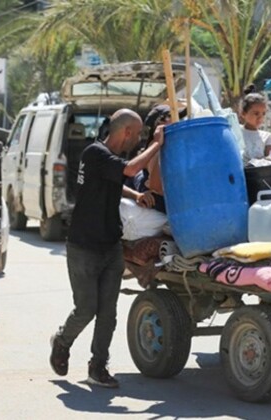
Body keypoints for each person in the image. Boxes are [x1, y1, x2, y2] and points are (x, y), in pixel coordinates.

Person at [50, 109, 165, 388]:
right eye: (136, 134)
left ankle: (98, 366)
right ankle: (62, 341)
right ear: (126, 132)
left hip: (110, 246)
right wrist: (156, 144)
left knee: (108, 312)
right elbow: (127, 171)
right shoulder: (94, 152)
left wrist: (135, 194)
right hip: (84, 246)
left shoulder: (105, 159)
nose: (137, 139)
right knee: (86, 309)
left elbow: (116, 179)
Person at [238, 91, 271, 163]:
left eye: (263, 114)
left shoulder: (267, 136)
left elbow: (269, 157)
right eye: (256, 113)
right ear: (243, 113)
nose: (260, 118)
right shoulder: (236, 131)